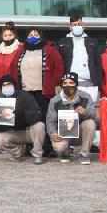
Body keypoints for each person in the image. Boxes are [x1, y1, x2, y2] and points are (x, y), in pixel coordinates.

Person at [8, 27, 64, 156]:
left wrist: (56, 84)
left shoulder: (50, 50)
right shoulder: (21, 50)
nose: (33, 36)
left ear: (41, 36)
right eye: (30, 34)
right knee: (28, 120)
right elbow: (12, 68)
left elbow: (59, 67)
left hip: (43, 91)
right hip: (26, 91)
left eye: (36, 34)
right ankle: (30, 146)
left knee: (45, 119)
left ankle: (47, 148)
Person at [0, 75, 47, 164]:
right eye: (4, 85)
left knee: (40, 126)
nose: (6, 86)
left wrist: (21, 114)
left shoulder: (25, 96)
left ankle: (38, 155)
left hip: (28, 131)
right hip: (14, 133)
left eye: (8, 84)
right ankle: (17, 153)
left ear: (14, 85)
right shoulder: (1, 101)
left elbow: (37, 114)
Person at [46, 73, 96, 165]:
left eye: (71, 83)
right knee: (59, 147)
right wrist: (53, 134)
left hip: (79, 133)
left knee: (90, 123)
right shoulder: (55, 100)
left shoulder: (86, 96)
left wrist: (85, 111)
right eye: (65, 83)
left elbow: (94, 114)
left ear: (76, 84)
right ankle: (65, 152)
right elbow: (50, 121)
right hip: (63, 133)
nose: (68, 85)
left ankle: (84, 154)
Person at [57, 15, 103, 104]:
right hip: (70, 82)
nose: (77, 26)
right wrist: (59, 83)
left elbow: (98, 63)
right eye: (74, 25)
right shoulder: (62, 42)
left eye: (79, 24)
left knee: (90, 110)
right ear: (70, 27)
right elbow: (59, 64)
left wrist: (98, 82)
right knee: (71, 110)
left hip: (90, 82)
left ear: (83, 26)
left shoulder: (92, 41)